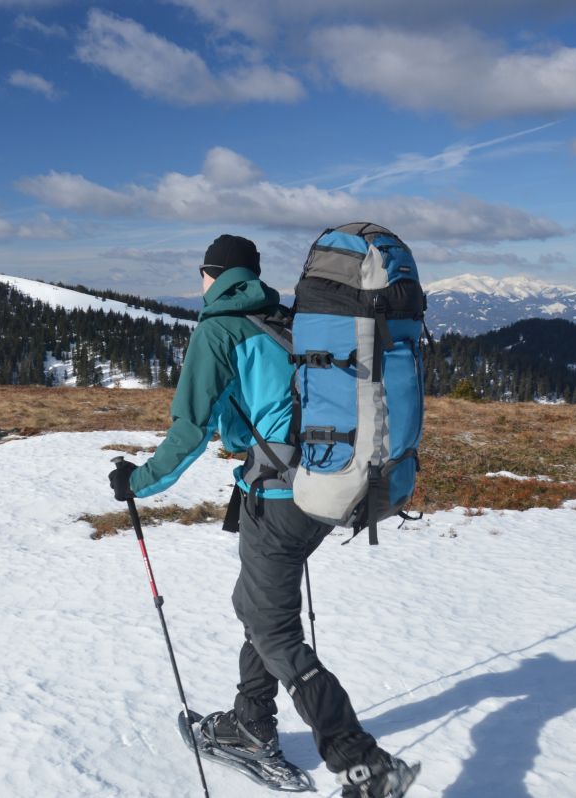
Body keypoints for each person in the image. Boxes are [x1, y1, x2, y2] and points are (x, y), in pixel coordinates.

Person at [108, 234, 417, 798]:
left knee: (272, 628)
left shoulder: (218, 329)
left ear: (211, 275)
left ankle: (361, 762)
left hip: (278, 498)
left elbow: (190, 430)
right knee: (256, 605)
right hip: (328, 486)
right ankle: (251, 721)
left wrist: (137, 482)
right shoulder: (288, 320)